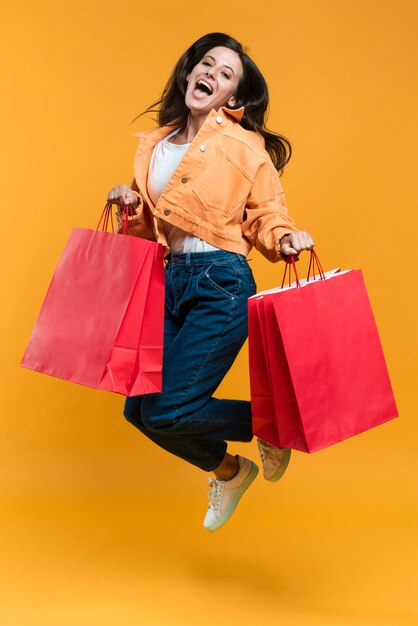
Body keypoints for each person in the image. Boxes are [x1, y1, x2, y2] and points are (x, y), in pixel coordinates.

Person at [107, 32, 314, 532]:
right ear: (188, 72)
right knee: (139, 412)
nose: (212, 76)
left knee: (170, 409)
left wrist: (285, 239)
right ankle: (229, 470)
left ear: (234, 98)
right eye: (206, 65)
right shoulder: (156, 145)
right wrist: (128, 206)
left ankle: (273, 424)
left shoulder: (245, 146)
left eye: (226, 75)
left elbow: (266, 212)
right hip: (170, 280)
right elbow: (150, 232)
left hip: (219, 282)